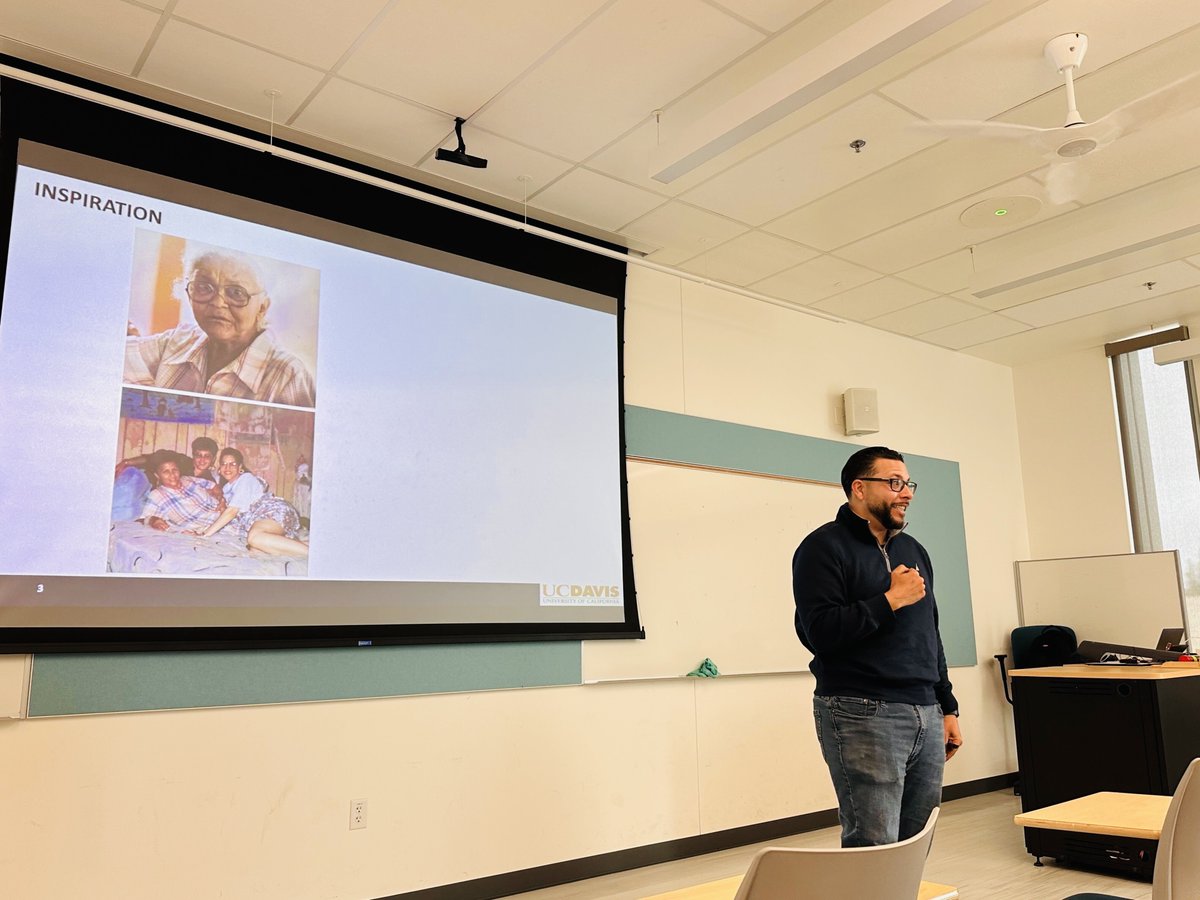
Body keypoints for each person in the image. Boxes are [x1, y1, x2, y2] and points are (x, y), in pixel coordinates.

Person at [792, 446, 962, 848]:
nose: (906, 493)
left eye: (908, 484)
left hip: (924, 709)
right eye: (894, 483)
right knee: (874, 845)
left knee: (915, 844)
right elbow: (819, 632)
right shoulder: (822, 548)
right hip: (861, 710)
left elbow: (929, 633)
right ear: (859, 489)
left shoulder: (914, 550)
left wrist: (947, 705)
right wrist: (889, 600)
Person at [124, 248, 315, 407]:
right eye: (204, 287)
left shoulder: (287, 374)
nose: (217, 303)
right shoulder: (178, 341)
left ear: (262, 308)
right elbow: (118, 356)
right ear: (189, 294)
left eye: (236, 293)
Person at [197, 448, 308, 557]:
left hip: (271, 511)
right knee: (257, 549)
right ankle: (305, 546)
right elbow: (225, 517)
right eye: (224, 464)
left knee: (255, 538)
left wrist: (205, 534)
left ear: (240, 467)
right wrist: (200, 529)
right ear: (219, 468)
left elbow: (232, 511)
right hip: (259, 520)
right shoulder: (226, 489)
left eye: (232, 464)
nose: (227, 467)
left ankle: (315, 555)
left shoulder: (246, 478)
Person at [112, 436, 220, 521]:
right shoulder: (182, 460)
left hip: (155, 499)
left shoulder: (209, 481)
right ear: (193, 455)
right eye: (198, 455)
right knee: (125, 492)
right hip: (147, 480)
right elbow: (151, 458)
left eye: (207, 456)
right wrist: (126, 462)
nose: (202, 460)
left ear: (213, 459)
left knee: (128, 514)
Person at [137, 451, 224, 533]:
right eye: (166, 471)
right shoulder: (157, 495)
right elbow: (144, 518)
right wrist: (154, 521)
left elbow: (214, 486)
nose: (172, 474)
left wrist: (220, 498)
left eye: (174, 470)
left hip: (224, 516)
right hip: (207, 528)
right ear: (157, 475)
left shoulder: (187, 479)